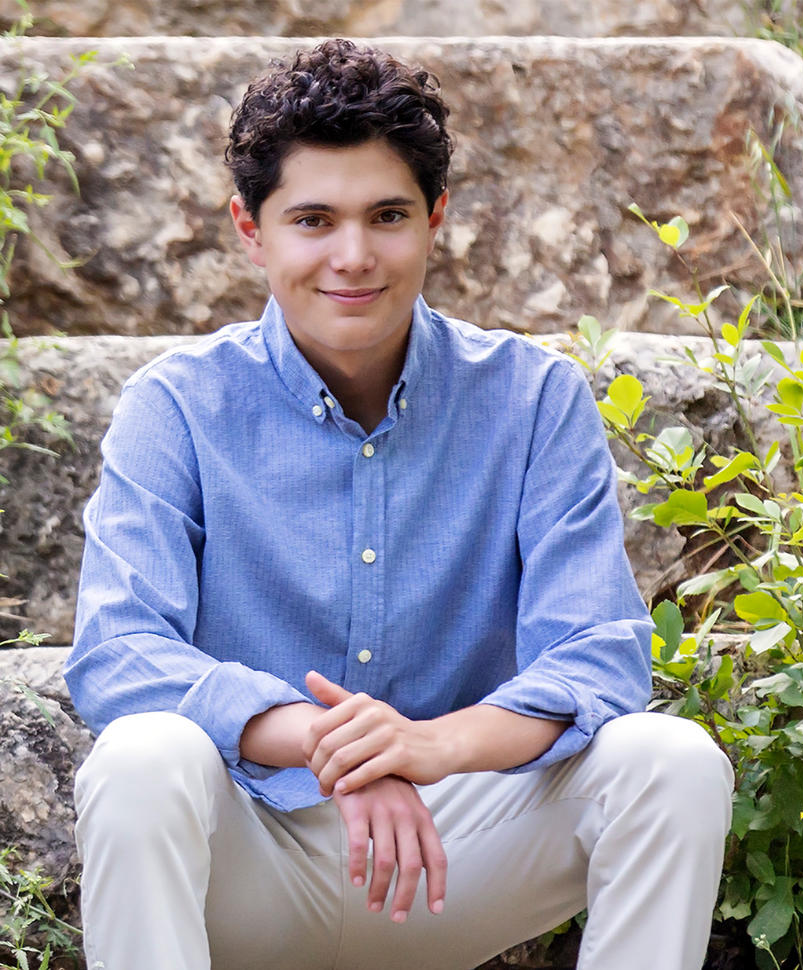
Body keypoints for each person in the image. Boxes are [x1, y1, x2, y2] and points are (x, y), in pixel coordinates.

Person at [64, 38, 733, 970]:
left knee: (673, 762)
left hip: (458, 852)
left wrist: (427, 748)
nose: (353, 256)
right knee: (141, 759)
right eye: (312, 219)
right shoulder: (174, 406)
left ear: (436, 219)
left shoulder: (534, 399)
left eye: (387, 215)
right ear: (250, 229)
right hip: (250, 848)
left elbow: (598, 657)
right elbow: (119, 654)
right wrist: (331, 745)